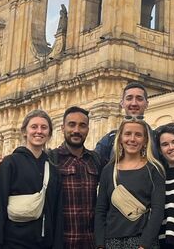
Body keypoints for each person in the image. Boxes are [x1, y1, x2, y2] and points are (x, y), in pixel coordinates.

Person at [0, 109, 63, 248]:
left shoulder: (54, 171)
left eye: (44, 127)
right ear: (24, 132)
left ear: (49, 134)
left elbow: (56, 212)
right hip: (12, 243)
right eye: (34, 127)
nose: (39, 131)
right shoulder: (10, 163)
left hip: (43, 244)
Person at [95, 83, 174, 173]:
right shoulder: (109, 139)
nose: (134, 103)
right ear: (122, 103)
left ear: (146, 104)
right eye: (129, 98)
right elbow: (91, 165)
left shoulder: (158, 137)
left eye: (139, 99)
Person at [94, 117, 165, 249]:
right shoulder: (109, 170)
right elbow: (101, 210)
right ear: (120, 139)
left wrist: (145, 244)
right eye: (127, 134)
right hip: (111, 241)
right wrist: (100, 244)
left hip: (142, 241)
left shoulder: (154, 169)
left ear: (145, 141)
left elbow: (158, 210)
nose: (132, 139)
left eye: (138, 135)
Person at [49, 106, 104, 248]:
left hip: (90, 243)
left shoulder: (96, 160)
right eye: (71, 124)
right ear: (62, 128)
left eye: (82, 125)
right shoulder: (51, 159)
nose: (76, 130)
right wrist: (10, 162)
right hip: (60, 243)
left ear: (88, 129)